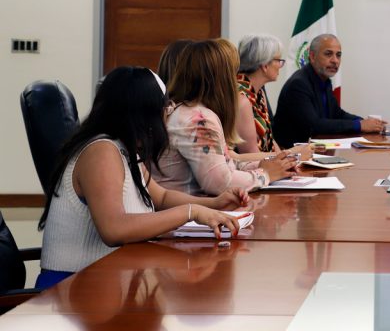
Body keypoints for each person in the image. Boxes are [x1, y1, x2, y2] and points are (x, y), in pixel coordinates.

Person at [37, 66, 249, 289]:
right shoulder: (101, 152)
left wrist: (215, 205)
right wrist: (190, 212)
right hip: (72, 286)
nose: (168, 113)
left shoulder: (123, 147)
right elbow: (113, 229)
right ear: (145, 113)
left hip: (105, 280)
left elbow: (162, 197)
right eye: (166, 106)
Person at [153, 39, 297, 195]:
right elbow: (219, 183)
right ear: (222, 79)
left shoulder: (187, 110)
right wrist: (265, 174)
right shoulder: (198, 120)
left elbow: (225, 164)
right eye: (232, 74)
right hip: (190, 208)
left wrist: (271, 166)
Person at [273, 34, 385, 148]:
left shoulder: (324, 80)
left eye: (338, 55)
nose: (335, 60)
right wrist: (359, 125)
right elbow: (314, 126)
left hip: (317, 149)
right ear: (312, 56)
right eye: (328, 54)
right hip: (292, 153)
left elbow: (336, 114)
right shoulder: (299, 84)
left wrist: (366, 122)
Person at [235, 34, 286, 154]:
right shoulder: (241, 97)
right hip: (249, 164)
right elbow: (249, 152)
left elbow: (269, 139)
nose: (280, 66)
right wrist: (288, 156)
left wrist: (286, 159)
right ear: (265, 65)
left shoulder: (259, 92)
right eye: (278, 60)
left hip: (265, 162)